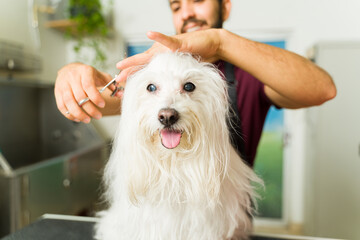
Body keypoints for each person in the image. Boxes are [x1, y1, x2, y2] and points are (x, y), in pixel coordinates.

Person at [55, 0, 336, 166]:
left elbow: (322, 89)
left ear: (225, 7)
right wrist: (73, 75)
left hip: (226, 217)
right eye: (177, 6)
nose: (187, 12)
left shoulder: (251, 74)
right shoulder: (152, 73)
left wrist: (219, 42)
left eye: (198, 0)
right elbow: (99, 99)